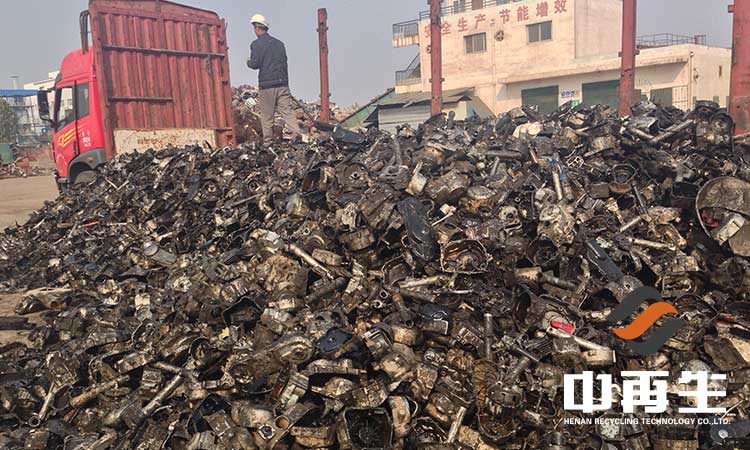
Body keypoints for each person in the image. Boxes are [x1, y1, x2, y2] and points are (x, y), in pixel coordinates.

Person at [246, 14, 303, 143]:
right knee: (287, 111)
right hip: (283, 83)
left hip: (267, 85)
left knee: (267, 115)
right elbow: (284, 61)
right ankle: (296, 134)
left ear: (257, 28)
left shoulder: (256, 44)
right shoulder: (280, 44)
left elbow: (255, 64)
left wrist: (248, 62)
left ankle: (268, 141)